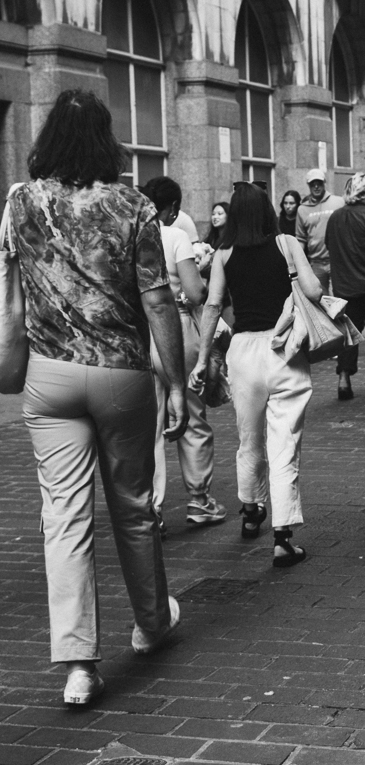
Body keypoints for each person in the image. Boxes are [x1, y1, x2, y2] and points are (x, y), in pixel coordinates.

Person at [9, 91, 187, 708]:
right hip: (121, 374)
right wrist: (178, 381)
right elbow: (159, 299)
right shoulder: (132, 204)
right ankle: (150, 624)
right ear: (108, 139)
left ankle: (79, 664)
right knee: (133, 506)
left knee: (63, 516)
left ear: (47, 138)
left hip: (49, 374)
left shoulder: (19, 200)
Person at [192, 184, 322, 568]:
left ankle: (251, 511)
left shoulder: (224, 254)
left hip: (243, 353)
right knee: (284, 444)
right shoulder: (285, 244)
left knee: (248, 439)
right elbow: (313, 290)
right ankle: (283, 537)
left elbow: (213, 306)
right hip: (284, 351)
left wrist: (202, 361)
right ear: (267, 211)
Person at [140, 177, 226, 533]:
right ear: (173, 208)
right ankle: (199, 499)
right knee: (191, 415)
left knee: (151, 424)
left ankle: (152, 507)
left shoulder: (133, 235)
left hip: (140, 334)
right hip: (175, 330)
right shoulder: (174, 237)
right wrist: (202, 273)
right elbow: (195, 292)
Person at [326, 172, 365, 401]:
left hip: (344, 286)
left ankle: (344, 378)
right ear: (363, 192)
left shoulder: (335, 217)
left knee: (348, 335)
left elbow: (329, 245)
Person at [295, 169, 337, 292]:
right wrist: (298, 263)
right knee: (320, 301)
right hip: (316, 263)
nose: (316, 186)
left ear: (324, 183)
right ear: (309, 185)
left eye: (319, 183)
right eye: (313, 184)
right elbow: (300, 239)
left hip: (336, 261)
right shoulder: (302, 209)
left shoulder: (338, 202)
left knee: (338, 300)